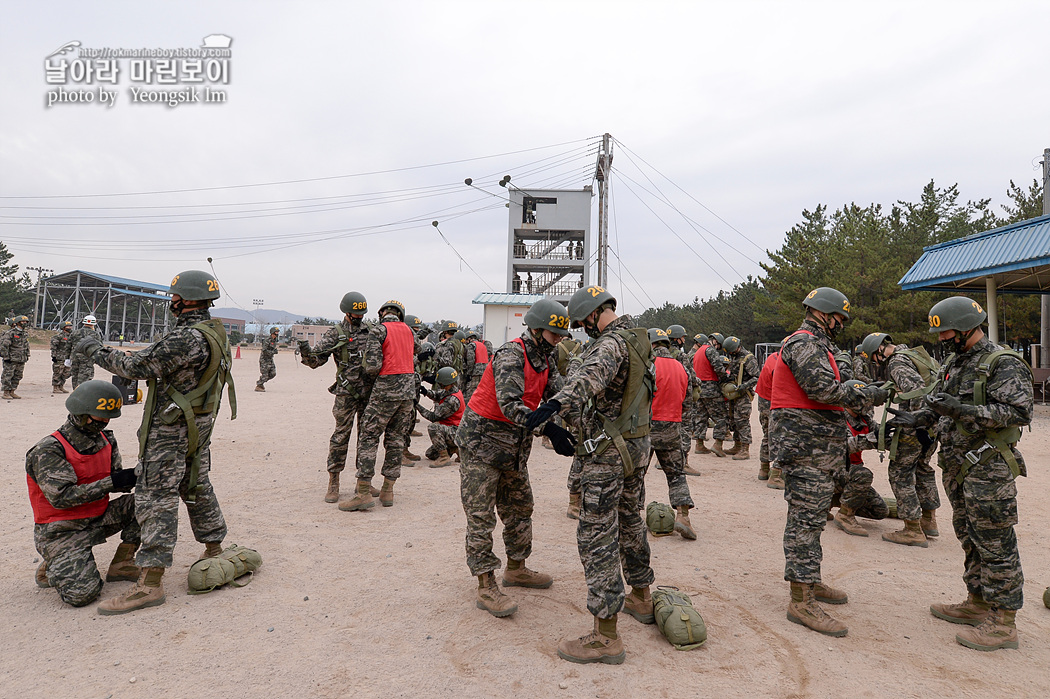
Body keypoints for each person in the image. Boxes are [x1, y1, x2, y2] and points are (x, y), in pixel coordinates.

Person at [78, 270, 236, 615]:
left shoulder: (185, 338)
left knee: (154, 498)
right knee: (194, 484)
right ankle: (214, 550)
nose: (171, 301)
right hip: (196, 427)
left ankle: (150, 584)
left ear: (185, 299)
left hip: (170, 432)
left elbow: (136, 365)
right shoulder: (214, 330)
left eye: (174, 296)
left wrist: (93, 348)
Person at [525, 285, 655, 665]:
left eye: (583, 325)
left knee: (596, 533)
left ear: (593, 316)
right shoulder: (639, 339)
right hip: (635, 445)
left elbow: (587, 381)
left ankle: (605, 635)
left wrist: (551, 407)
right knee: (631, 521)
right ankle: (641, 596)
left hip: (608, 454)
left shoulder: (609, 345)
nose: (584, 331)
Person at [769, 287, 887, 638]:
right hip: (805, 449)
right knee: (805, 522)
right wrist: (869, 393)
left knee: (814, 518)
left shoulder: (818, 345)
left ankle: (810, 581)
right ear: (824, 313)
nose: (841, 324)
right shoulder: (803, 343)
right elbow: (823, 389)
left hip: (817, 448)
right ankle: (801, 600)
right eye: (840, 318)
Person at [922, 296, 1032, 651]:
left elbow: (1018, 411)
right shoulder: (956, 361)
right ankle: (978, 602)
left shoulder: (1002, 363)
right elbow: (944, 406)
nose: (941, 339)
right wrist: (925, 418)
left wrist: (964, 410)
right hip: (958, 467)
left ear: (968, 327)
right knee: (969, 535)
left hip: (989, 469)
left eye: (946, 332)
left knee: (995, 543)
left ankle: (1003, 623)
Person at [456, 299, 571, 618]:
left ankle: (517, 568)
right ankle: (486, 584)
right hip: (482, 443)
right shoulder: (511, 355)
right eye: (554, 334)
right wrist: (549, 428)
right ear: (536, 329)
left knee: (520, 507)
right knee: (481, 515)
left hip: (514, 446)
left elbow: (561, 398)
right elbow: (510, 405)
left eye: (561, 335)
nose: (559, 340)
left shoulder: (546, 358)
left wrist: (578, 425)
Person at [26, 380, 140, 606]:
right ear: (81, 413)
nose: (104, 422)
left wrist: (138, 475)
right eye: (99, 417)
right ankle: (56, 560)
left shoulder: (107, 439)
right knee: (82, 596)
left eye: (108, 417)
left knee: (150, 502)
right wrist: (112, 482)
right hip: (61, 530)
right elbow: (61, 498)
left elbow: (115, 480)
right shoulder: (49, 449)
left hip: (98, 517)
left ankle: (122, 564)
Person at [861, 331, 941, 548]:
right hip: (933, 422)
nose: (876, 364)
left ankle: (913, 529)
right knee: (923, 468)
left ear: (879, 350)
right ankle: (928, 520)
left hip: (917, 424)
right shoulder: (915, 355)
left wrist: (918, 424)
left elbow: (917, 392)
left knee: (900, 472)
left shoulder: (897, 362)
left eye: (874, 358)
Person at [338, 299, 419, 511]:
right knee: (395, 440)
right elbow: (418, 351)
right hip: (408, 392)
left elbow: (372, 366)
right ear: (401, 315)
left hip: (386, 390)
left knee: (369, 436)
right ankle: (388, 490)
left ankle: (363, 492)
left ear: (382, 313)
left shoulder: (379, 331)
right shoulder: (410, 331)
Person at [299, 292, 375, 503]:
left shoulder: (372, 332)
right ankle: (334, 481)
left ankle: (364, 482)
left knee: (367, 437)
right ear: (346, 312)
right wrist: (306, 353)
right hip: (346, 394)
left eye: (361, 313)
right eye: (355, 313)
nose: (359, 317)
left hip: (368, 393)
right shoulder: (336, 334)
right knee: (341, 436)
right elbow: (315, 362)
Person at [645, 328, 696, 540]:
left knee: (635, 476)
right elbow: (688, 401)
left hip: (645, 428)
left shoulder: (647, 366)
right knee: (676, 474)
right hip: (672, 427)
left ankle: (631, 517)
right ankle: (683, 516)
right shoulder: (682, 367)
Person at [832, 378, 891, 536]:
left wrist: (894, 431)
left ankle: (833, 500)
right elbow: (844, 447)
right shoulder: (837, 417)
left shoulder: (863, 419)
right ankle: (845, 514)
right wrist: (872, 438)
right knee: (863, 474)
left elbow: (879, 433)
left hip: (847, 474)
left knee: (880, 510)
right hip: (831, 472)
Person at [665, 324, 700, 476]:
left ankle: (663, 461)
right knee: (685, 429)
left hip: (664, 396)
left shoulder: (660, 354)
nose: (684, 340)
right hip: (679, 396)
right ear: (677, 339)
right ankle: (683, 463)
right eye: (683, 337)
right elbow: (690, 376)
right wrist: (698, 384)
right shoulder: (680, 356)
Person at [720, 336, 760, 460]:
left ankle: (745, 449)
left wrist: (743, 386)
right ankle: (737, 445)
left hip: (744, 394)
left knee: (742, 421)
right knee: (734, 420)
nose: (730, 354)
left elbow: (756, 377)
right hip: (734, 394)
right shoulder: (734, 357)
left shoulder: (749, 358)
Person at [692, 331, 730, 456]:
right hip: (711, 388)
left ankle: (699, 444)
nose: (718, 348)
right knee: (721, 417)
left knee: (701, 417)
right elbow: (718, 368)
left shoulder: (698, 351)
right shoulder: (710, 350)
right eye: (718, 345)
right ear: (716, 341)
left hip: (699, 389)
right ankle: (718, 445)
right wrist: (727, 378)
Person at [417, 366, 463, 467]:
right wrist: (426, 392)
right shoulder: (451, 391)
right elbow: (437, 395)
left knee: (433, 427)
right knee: (431, 454)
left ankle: (444, 457)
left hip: (456, 432)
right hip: (452, 430)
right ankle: (454, 448)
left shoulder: (452, 400)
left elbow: (433, 417)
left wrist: (417, 405)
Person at [755, 348, 778, 482]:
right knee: (780, 437)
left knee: (767, 436)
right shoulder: (781, 363)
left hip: (764, 401)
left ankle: (764, 469)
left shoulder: (772, 357)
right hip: (773, 403)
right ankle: (776, 475)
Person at [1, 314, 31, 399]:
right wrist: (6, 357)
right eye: (23, 321)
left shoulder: (25, 334)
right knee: (8, 375)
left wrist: (27, 355)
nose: (25, 323)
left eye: (26, 321)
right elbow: (4, 346)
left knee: (18, 375)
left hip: (21, 358)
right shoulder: (10, 333)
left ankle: (12, 391)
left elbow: (26, 346)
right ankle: (6, 392)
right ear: (17, 323)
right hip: (11, 358)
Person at [68, 315, 102, 389]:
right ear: (93, 324)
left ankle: (75, 392)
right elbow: (99, 347)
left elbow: (68, 345)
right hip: (87, 358)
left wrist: (67, 358)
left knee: (75, 376)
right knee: (85, 377)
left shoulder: (74, 332)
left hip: (74, 357)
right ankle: (82, 394)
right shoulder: (95, 334)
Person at [463, 330, 489, 404]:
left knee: (470, 394)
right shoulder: (483, 345)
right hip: (484, 372)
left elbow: (471, 360)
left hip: (475, 373)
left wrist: (469, 374)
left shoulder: (471, 345)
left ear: (469, 339)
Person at [50, 321, 74, 394]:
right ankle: (55, 387)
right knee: (58, 372)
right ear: (63, 328)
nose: (70, 328)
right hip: (59, 357)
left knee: (66, 373)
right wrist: (54, 356)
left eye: (70, 326)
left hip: (69, 357)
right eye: (68, 326)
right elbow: (54, 347)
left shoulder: (72, 337)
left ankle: (61, 386)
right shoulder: (58, 337)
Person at [254, 327, 280, 392]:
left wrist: (274, 351)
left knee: (273, 373)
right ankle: (259, 385)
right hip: (264, 360)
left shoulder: (274, 341)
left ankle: (261, 382)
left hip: (270, 359)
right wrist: (273, 352)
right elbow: (264, 350)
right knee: (265, 374)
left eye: (277, 332)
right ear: (272, 333)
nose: (277, 334)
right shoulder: (267, 340)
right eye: (276, 332)